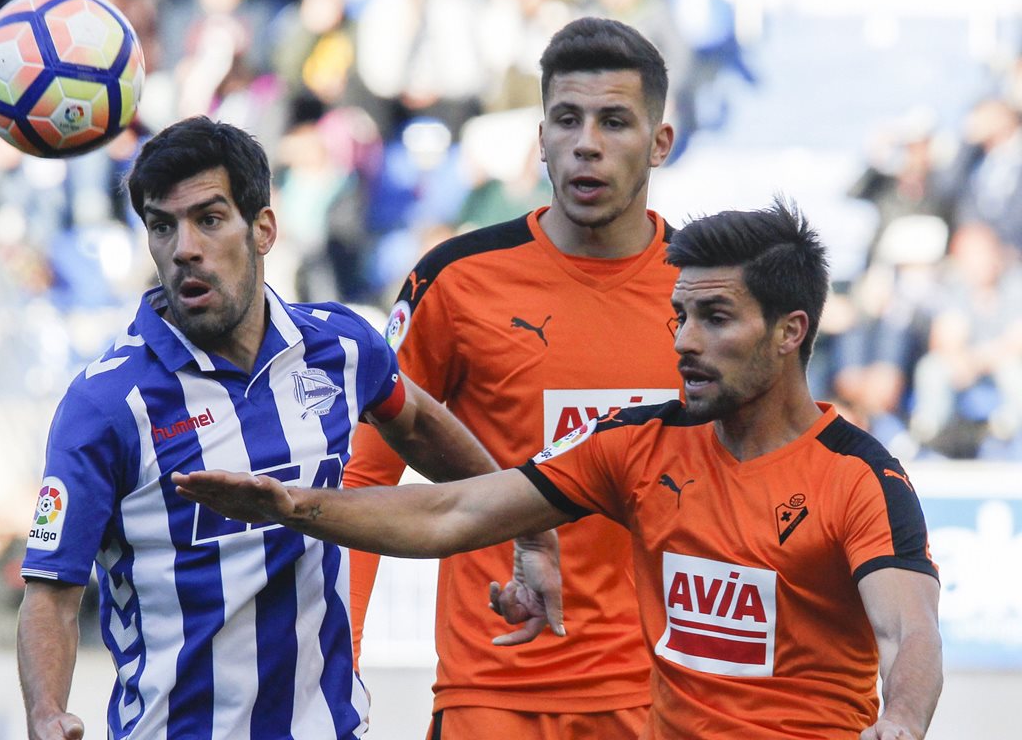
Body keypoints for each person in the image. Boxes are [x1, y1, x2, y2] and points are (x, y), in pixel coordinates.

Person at [175, 199, 944, 740]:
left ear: (790, 332)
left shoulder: (862, 479)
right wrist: (294, 507)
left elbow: (910, 631)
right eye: (679, 316)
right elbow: (454, 513)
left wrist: (903, 718)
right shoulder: (638, 443)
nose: (682, 341)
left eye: (715, 318)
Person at [15, 116, 501, 740]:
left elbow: (418, 423)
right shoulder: (106, 403)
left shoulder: (339, 346)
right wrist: (46, 712)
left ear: (263, 229)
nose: (184, 247)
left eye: (208, 219)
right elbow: (52, 590)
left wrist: (525, 531)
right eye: (162, 226)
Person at [342, 15, 680, 739]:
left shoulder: (709, 295)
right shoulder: (456, 281)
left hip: (658, 697)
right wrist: (340, 661)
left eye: (615, 121)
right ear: (542, 139)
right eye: (567, 119)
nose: (587, 142)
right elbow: (365, 478)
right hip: (491, 691)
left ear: (660, 144)